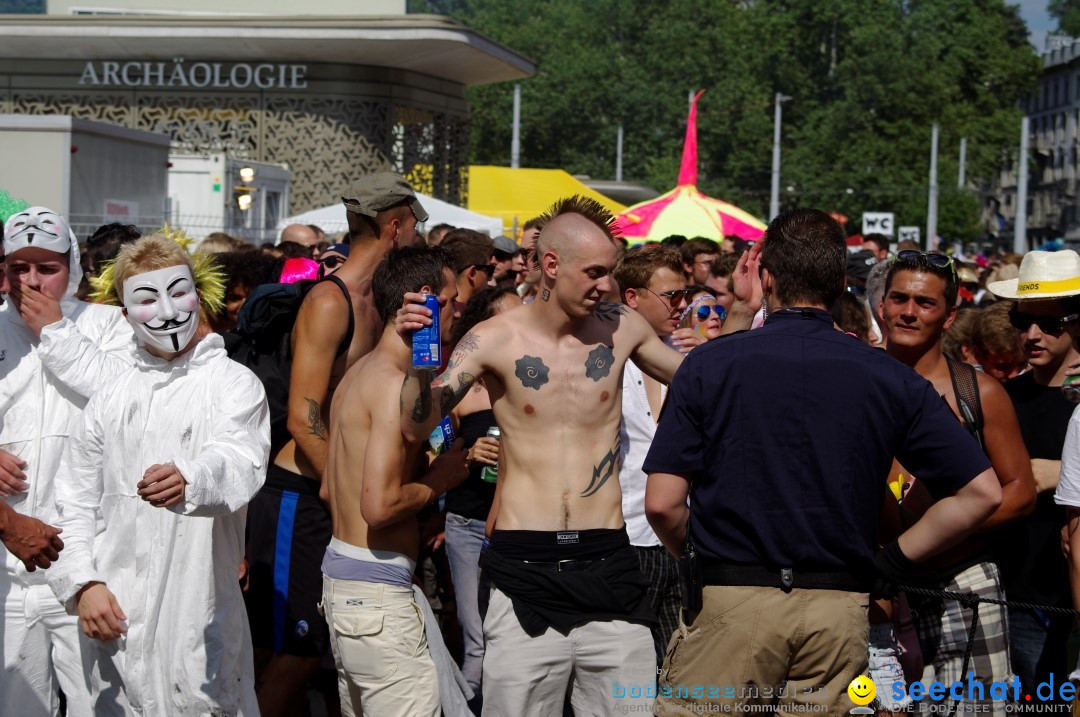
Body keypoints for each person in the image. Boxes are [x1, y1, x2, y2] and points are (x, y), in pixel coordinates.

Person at [395, 196, 760, 716]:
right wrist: (417, 362)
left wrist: (742, 311)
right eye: (594, 272)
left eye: (610, 273)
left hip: (608, 564)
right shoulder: (495, 338)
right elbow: (415, 427)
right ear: (550, 265)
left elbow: (702, 384)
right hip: (524, 567)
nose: (606, 285)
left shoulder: (622, 327)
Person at [644, 208, 1003, 715]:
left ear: (766, 278)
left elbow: (662, 505)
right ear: (841, 285)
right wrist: (890, 565)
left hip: (734, 595)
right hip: (839, 613)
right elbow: (982, 492)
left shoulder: (709, 364)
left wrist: (702, 561)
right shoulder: (888, 376)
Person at [46, 232, 269, 716]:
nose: (168, 312)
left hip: (200, 615)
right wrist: (82, 584)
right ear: (124, 314)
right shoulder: (111, 396)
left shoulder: (232, 383)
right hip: (116, 616)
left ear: (198, 294)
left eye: (178, 292)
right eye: (147, 299)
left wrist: (194, 476)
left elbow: (240, 457)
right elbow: (75, 500)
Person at [252, 172, 426, 715]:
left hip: (345, 497)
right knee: (294, 655)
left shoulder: (388, 302)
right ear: (394, 227)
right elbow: (305, 420)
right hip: (302, 496)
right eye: (416, 227)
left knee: (331, 651)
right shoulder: (332, 302)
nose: (421, 238)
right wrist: (345, 490)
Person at [881, 249, 1036, 716]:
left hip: (963, 582)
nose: (908, 311)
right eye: (898, 298)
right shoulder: (852, 379)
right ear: (882, 304)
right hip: (874, 584)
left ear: (949, 317)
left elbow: (1020, 493)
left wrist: (936, 538)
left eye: (925, 303)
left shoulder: (979, 392)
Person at [321, 245, 470, 717]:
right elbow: (379, 506)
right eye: (453, 299)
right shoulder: (387, 382)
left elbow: (330, 490)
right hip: (377, 597)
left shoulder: (355, 374)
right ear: (426, 300)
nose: (459, 309)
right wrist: (440, 480)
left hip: (346, 582)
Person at [1, 206, 135, 717]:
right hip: (8, 571)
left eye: (47, 268)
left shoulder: (107, 326)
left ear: (73, 266)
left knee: (101, 705)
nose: (31, 281)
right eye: (19, 267)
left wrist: (57, 332)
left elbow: (127, 407)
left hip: (89, 562)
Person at [988, 252, 1080, 700]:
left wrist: (1064, 474)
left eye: (1050, 322)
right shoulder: (1003, 397)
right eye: (1021, 321)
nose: (1032, 334)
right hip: (1018, 592)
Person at [613, 245, 702, 665]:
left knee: (679, 666)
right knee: (625, 676)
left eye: (685, 294)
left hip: (681, 538)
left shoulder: (690, 358)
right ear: (632, 298)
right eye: (672, 296)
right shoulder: (603, 360)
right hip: (623, 537)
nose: (681, 306)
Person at [442, 287, 523, 702]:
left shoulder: (531, 382)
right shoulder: (460, 387)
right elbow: (431, 451)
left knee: (512, 639)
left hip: (520, 526)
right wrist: (467, 454)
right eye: (509, 322)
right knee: (476, 639)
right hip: (468, 524)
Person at [972, 302, 1028, 383]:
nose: (1015, 375)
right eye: (1003, 366)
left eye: (1021, 364)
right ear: (978, 355)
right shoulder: (965, 391)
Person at [441, 229, 496, 311]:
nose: (490, 278)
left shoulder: (436, 311)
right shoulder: (473, 318)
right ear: (472, 273)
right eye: (489, 270)